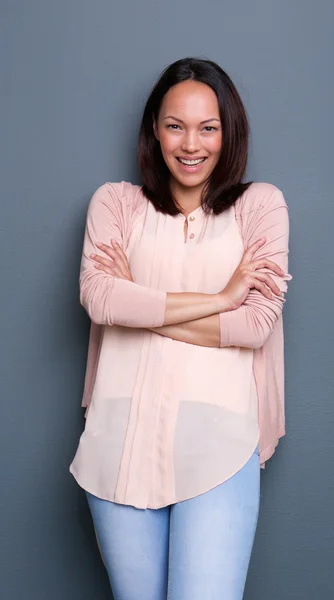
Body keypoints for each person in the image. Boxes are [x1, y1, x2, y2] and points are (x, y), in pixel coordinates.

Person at [69, 56, 293, 600]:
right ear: (154, 128)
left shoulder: (260, 207)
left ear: (227, 131)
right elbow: (100, 299)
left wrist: (140, 308)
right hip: (117, 443)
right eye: (175, 125)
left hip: (219, 443)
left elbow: (256, 323)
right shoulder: (116, 204)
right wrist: (219, 300)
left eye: (208, 127)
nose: (191, 144)